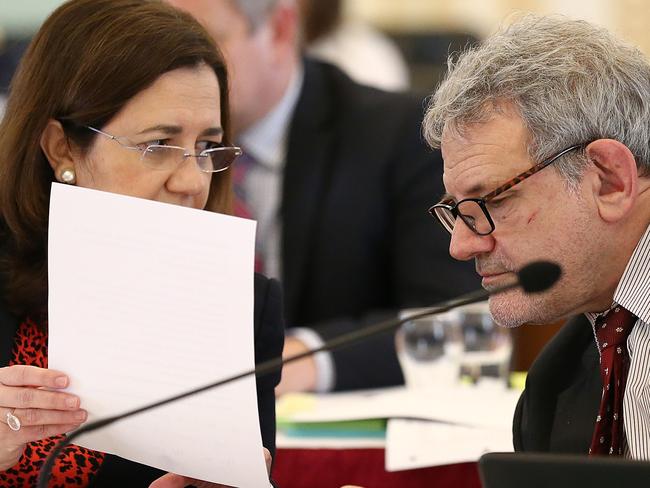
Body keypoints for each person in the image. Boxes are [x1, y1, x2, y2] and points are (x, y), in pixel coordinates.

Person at [0, 0, 283, 486]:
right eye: (157, 146)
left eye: (206, 147)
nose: (193, 181)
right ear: (61, 147)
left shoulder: (242, 307)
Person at [168, 0, 478, 394]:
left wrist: (294, 360)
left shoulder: (401, 136)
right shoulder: (144, 142)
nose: (170, 68)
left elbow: (456, 321)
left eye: (198, 43)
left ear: (279, 31)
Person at [424, 14, 650, 458]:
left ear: (610, 181)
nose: (462, 245)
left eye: (494, 200)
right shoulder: (554, 382)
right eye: (457, 212)